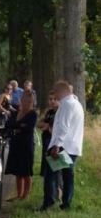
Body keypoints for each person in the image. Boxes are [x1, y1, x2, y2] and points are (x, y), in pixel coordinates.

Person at [48, 80, 85, 210]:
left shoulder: (67, 105)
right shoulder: (76, 103)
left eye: (56, 92)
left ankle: (51, 202)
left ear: (61, 91)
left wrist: (56, 145)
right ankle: (65, 203)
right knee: (67, 176)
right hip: (72, 146)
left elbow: (63, 127)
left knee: (52, 175)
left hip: (64, 147)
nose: (55, 95)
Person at [4, 89, 38, 200]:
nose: (25, 101)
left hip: (26, 145)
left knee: (26, 172)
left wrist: (17, 126)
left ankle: (25, 196)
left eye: (28, 100)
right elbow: (8, 125)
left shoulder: (33, 114)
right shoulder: (15, 112)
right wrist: (19, 125)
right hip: (15, 144)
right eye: (24, 99)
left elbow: (29, 128)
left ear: (32, 101)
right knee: (18, 172)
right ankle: (19, 195)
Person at [37, 91, 60, 211]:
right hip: (46, 142)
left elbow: (56, 130)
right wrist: (46, 126)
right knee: (47, 172)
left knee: (54, 173)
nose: (51, 101)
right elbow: (39, 123)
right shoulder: (49, 112)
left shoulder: (60, 112)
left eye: (54, 99)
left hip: (55, 145)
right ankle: (51, 198)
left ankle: (54, 198)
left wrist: (48, 127)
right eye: (50, 99)